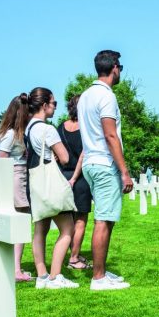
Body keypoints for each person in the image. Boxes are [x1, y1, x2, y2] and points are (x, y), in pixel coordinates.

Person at [77, 50, 133, 291]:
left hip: (90, 161)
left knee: (105, 219)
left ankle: (101, 271)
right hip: (103, 162)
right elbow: (110, 134)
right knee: (104, 220)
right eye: (120, 67)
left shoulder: (85, 96)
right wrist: (124, 171)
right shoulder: (106, 96)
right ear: (114, 68)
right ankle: (98, 278)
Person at [24, 87, 78, 289]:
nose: (56, 107)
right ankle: (56, 276)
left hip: (36, 183)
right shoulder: (48, 129)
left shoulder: (29, 128)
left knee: (40, 229)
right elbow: (64, 157)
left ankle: (42, 276)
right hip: (51, 184)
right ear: (44, 105)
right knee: (67, 229)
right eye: (54, 103)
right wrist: (56, 156)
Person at [0, 93, 32, 282]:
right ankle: (16, 269)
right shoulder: (10, 135)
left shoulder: (15, 133)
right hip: (16, 177)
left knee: (21, 221)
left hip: (20, 176)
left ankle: (14, 266)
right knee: (21, 222)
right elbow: (2, 162)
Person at [58, 94, 92, 271]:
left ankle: (72, 254)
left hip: (62, 176)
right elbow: (83, 155)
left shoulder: (60, 127)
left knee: (68, 221)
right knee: (80, 221)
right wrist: (74, 177)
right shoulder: (86, 128)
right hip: (79, 179)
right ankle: (74, 258)